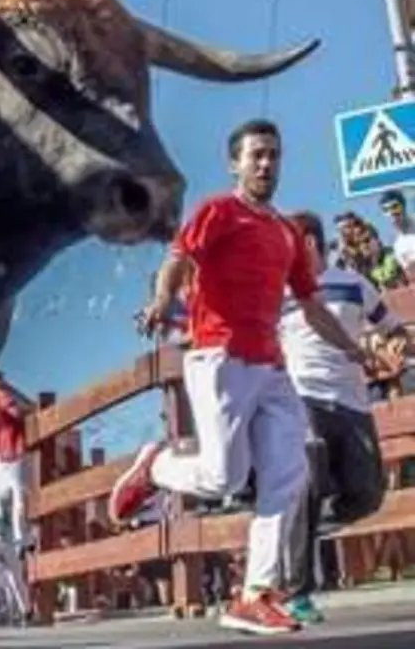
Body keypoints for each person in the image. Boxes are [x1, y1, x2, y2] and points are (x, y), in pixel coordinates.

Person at [110, 119, 368, 636]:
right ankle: (157, 465)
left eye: (273, 155)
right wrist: (163, 300)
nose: (266, 164)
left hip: (271, 367)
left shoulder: (288, 233)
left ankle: (254, 594)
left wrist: (352, 349)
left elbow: (311, 305)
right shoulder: (218, 211)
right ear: (236, 164)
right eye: (256, 156)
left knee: (289, 474)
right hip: (218, 357)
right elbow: (178, 259)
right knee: (224, 478)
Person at [277, 211, 399, 625]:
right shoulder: (278, 291)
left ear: (308, 244)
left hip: (352, 403)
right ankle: (297, 592)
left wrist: (396, 345)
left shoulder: (354, 284)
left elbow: (392, 327)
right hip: (303, 397)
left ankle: (305, 530)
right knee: (308, 478)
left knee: (367, 495)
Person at [0, 370, 28, 553]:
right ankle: (18, 538)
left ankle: (0, 535)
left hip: (1, 455)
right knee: (17, 496)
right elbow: (16, 411)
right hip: (12, 452)